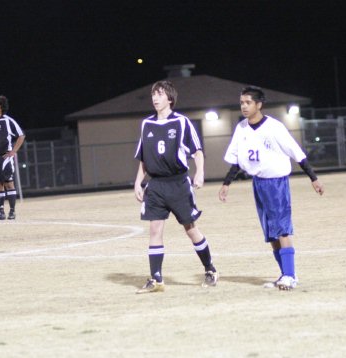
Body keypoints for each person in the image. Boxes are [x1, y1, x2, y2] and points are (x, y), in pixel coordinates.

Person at [218, 86, 324, 290]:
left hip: (276, 183)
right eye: (241, 103)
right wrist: (226, 183)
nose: (244, 106)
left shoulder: (274, 127)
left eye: (248, 102)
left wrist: (313, 178)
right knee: (271, 233)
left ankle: (290, 275)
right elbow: (238, 160)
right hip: (258, 184)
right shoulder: (241, 128)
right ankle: (285, 274)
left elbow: (297, 152)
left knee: (282, 228)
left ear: (259, 104)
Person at [133, 80, 217, 293]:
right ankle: (156, 279)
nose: (155, 98)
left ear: (169, 98)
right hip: (156, 185)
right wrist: (138, 182)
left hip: (178, 183)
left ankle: (210, 269)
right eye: (153, 94)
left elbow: (197, 151)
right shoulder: (146, 124)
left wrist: (200, 172)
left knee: (190, 229)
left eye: (159, 94)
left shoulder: (182, 122)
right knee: (154, 229)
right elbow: (143, 158)